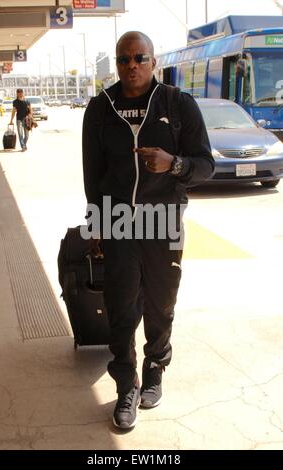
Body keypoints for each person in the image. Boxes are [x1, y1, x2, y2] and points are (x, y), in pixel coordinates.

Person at [82, 31, 215, 430]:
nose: (131, 66)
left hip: (164, 221)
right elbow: (93, 175)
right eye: (124, 60)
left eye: (139, 58)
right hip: (120, 222)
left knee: (161, 304)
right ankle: (127, 383)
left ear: (153, 61)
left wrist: (174, 164)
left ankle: (155, 367)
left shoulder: (178, 105)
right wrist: (97, 226)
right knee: (122, 309)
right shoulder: (100, 108)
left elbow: (205, 165)